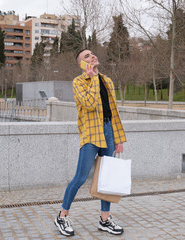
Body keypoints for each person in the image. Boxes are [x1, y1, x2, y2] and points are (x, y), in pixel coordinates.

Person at [54, 49, 127, 236]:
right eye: (87, 56)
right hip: (91, 134)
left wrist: (118, 138)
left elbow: (113, 113)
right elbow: (89, 104)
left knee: (106, 179)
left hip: (108, 131)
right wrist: (92, 77)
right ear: (81, 64)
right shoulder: (78, 82)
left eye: (92, 54)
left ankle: (105, 219)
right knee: (80, 177)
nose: (92, 56)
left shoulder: (107, 81)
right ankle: (62, 216)